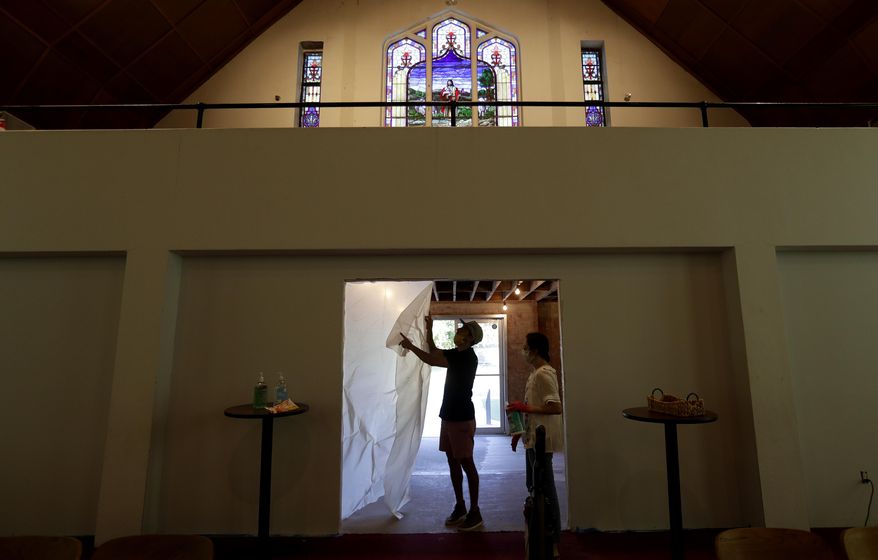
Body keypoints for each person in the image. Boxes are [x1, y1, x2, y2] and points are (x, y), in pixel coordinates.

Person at [399, 316, 484, 531]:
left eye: (463, 330)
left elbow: (430, 359)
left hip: (462, 418)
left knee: (466, 463)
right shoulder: (457, 354)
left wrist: (410, 346)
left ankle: (475, 511)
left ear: (469, 338)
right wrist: (429, 329)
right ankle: (460, 506)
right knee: (453, 462)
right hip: (448, 416)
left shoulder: (467, 358)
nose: (458, 332)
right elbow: (435, 351)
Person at [507, 332, 563, 557]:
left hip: (543, 442)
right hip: (532, 440)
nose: (523, 350)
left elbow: (555, 407)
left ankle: (554, 539)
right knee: (533, 486)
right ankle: (540, 533)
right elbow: (532, 409)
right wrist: (519, 432)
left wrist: (525, 408)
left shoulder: (544, 374)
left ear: (535, 350)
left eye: (525, 347)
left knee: (546, 489)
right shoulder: (535, 374)